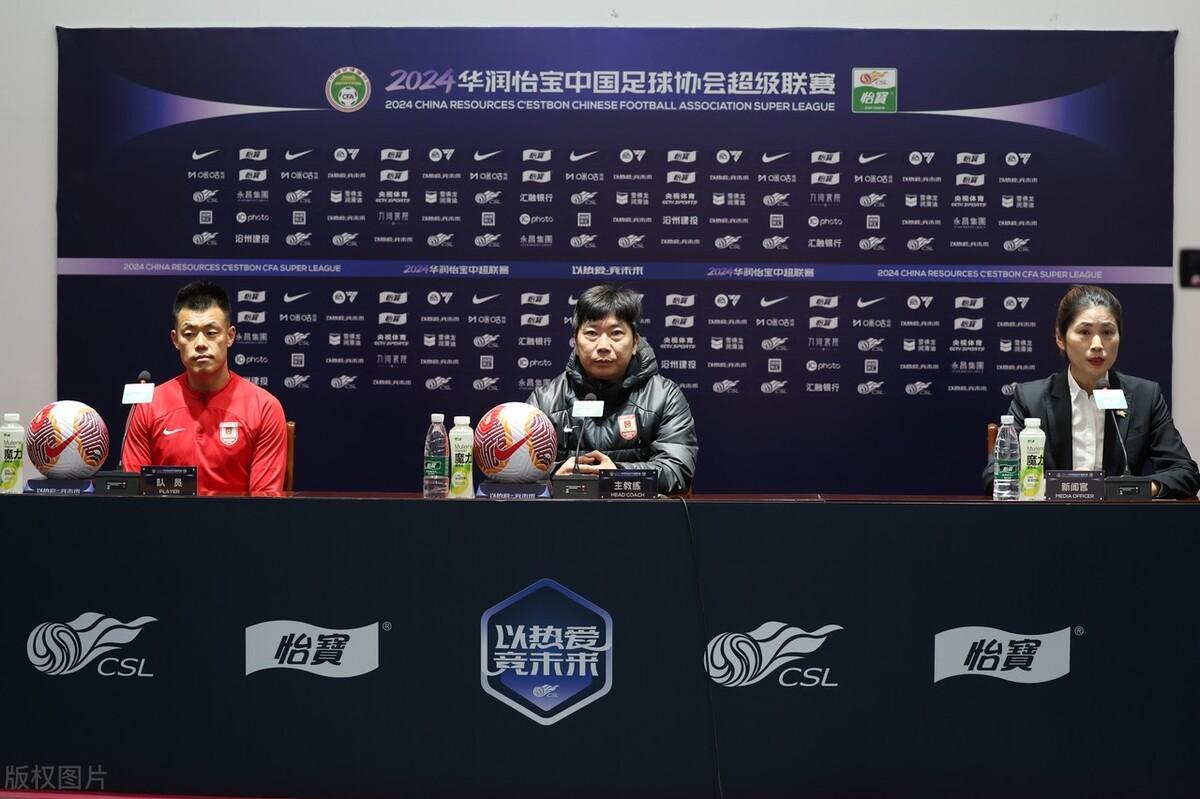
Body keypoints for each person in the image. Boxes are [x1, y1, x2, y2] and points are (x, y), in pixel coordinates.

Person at [984, 285, 1198, 498]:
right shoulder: (1031, 399)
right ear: (1060, 338)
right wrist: (1066, 486)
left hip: (1121, 517)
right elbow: (996, 476)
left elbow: (1184, 472)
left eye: (1107, 332)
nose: (1097, 345)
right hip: (1050, 516)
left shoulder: (1145, 397)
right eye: (1085, 332)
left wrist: (1127, 490)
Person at [527, 285, 698, 494]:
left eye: (616, 333)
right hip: (564, 513)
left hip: (638, 514)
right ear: (576, 343)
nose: (603, 345)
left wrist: (616, 474)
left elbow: (677, 471)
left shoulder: (664, 397)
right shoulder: (545, 400)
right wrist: (554, 474)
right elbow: (518, 470)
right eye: (591, 333)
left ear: (635, 343)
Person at [122, 281, 288, 495]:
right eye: (189, 334)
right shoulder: (148, 407)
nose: (200, 343)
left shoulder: (264, 408)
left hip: (238, 518)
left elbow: (265, 503)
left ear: (230, 336)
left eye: (211, 332)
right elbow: (134, 498)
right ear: (175, 340)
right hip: (164, 517)